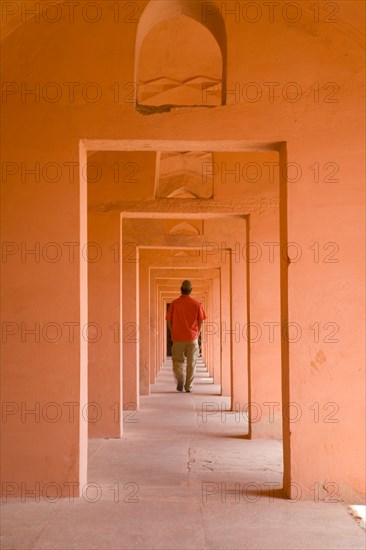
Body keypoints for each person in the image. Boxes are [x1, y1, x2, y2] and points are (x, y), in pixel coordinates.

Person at [166, 280, 206, 393]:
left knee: (177, 361)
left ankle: (180, 377)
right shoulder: (197, 304)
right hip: (192, 338)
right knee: (191, 363)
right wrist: (197, 333)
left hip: (178, 338)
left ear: (181, 290)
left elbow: (168, 320)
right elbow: (201, 320)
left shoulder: (174, 303)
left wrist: (172, 330)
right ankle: (188, 386)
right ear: (191, 291)